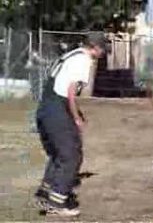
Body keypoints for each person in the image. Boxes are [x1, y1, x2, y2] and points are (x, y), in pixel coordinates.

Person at [34, 33, 106, 216]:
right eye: (103, 49)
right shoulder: (84, 60)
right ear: (96, 48)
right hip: (58, 107)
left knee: (59, 153)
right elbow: (71, 92)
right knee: (71, 155)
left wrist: (76, 113)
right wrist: (76, 118)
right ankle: (58, 201)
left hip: (46, 107)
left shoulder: (72, 54)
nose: (103, 52)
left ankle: (45, 192)